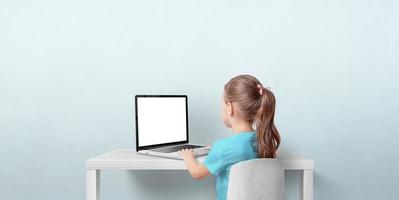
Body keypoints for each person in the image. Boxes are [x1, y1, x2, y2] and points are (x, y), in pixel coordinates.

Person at [178, 74, 281, 200]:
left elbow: (197, 173)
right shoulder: (264, 141)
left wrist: (188, 157)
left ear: (230, 108)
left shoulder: (222, 148)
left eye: (223, 104)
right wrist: (215, 150)